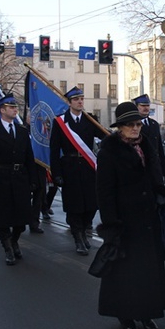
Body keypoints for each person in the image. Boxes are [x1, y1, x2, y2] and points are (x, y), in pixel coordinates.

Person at [96, 102, 165, 329]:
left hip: (148, 217)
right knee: (126, 271)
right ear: (120, 127)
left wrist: (160, 196)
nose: (135, 128)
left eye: (138, 124)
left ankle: (148, 312)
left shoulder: (146, 145)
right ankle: (125, 313)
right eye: (130, 125)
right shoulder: (109, 151)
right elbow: (104, 192)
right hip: (125, 221)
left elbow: (156, 175)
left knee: (149, 269)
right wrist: (112, 225)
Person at [0, 95, 38, 265]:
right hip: (1, 179)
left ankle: (14, 240)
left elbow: (29, 157)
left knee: (21, 218)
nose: (15, 110)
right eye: (11, 107)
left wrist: (33, 179)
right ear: (2, 110)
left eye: (15, 107)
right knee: (3, 217)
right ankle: (7, 247)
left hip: (20, 179)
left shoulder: (22, 131)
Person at [49, 86, 106, 255]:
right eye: (76, 99)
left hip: (89, 168)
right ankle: (78, 237)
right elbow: (54, 150)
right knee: (74, 206)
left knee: (91, 205)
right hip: (70, 167)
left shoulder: (90, 120)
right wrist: (56, 174)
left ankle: (83, 230)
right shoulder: (60, 122)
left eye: (82, 99)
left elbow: (104, 137)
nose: (80, 102)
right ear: (69, 102)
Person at [132, 94, 165, 182]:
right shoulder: (132, 126)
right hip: (140, 169)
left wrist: (164, 170)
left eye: (147, 105)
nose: (146, 108)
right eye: (143, 106)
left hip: (155, 169)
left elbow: (159, 148)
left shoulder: (154, 124)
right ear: (136, 107)